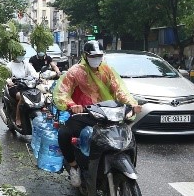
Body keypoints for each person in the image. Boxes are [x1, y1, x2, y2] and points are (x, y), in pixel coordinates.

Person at [54, 40, 141, 187]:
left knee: (127, 137)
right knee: (63, 134)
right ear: (85, 56)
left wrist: (132, 104)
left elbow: (119, 91)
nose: (96, 58)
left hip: (107, 113)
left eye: (99, 55)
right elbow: (62, 92)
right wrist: (72, 105)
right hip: (84, 114)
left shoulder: (107, 71)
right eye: (93, 56)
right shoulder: (75, 72)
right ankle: (74, 166)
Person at [6, 52, 38, 128]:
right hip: (14, 86)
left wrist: (40, 78)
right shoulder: (9, 65)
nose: (21, 56)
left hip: (26, 85)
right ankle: (18, 118)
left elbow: (34, 73)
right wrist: (9, 81)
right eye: (19, 54)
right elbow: (6, 77)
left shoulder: (26, 64)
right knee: (22, 97)